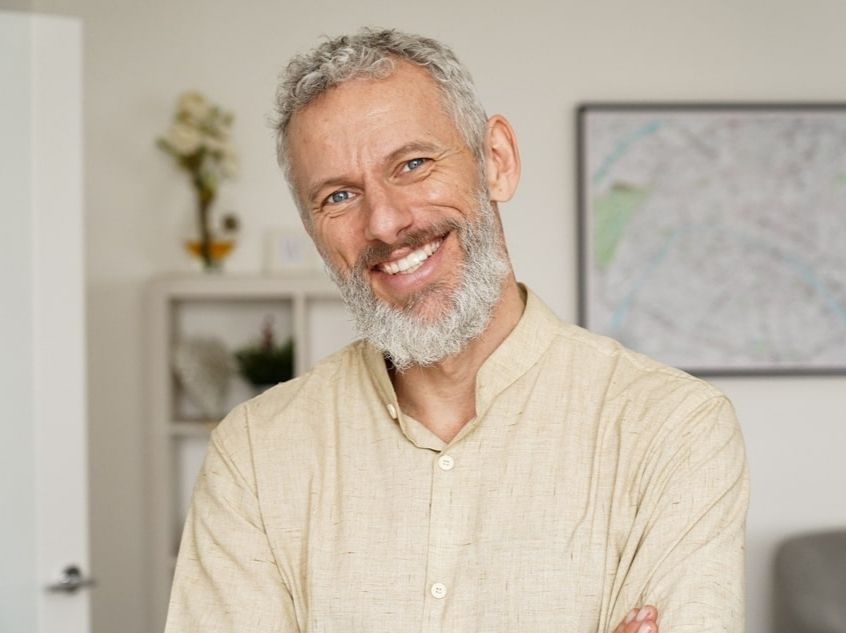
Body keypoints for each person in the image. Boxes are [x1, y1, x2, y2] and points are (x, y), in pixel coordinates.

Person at [164, 28, 748, 633]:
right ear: (314, 229)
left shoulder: (673, 428)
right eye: (339, 195)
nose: (386, 224)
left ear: (496, 161)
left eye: (413, 164)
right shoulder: (255, 454)